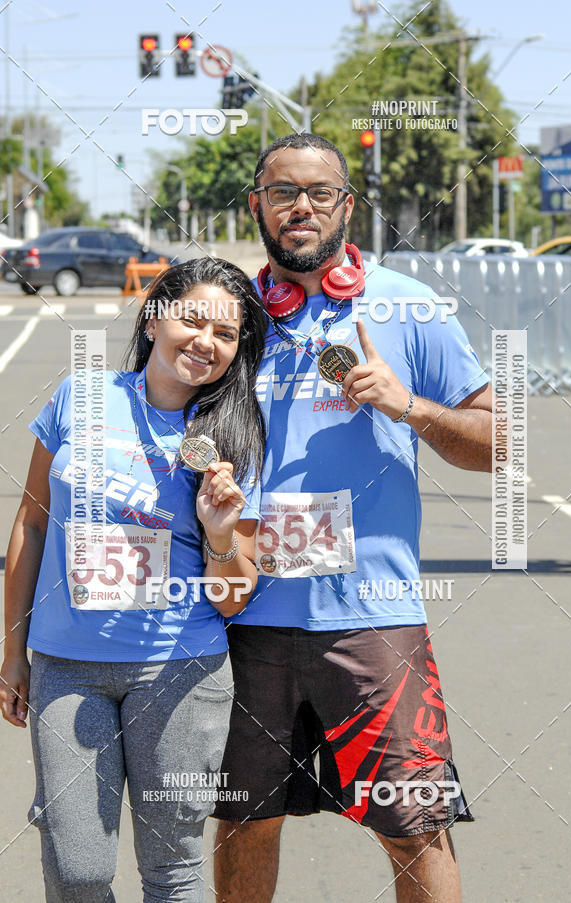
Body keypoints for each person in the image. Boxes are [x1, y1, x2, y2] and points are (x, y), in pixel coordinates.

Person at [213, 134, 493, 903]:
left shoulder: (409, 306)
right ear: (257, 204)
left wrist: (410, 406)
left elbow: (502, 441)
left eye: (320, 192)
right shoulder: (226, 319)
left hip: (373, 621)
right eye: (282, 192)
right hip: (244, 617)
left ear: (348, 205)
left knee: (415, 825)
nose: (300, 206)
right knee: (244, 822)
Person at [0, 257, 267, 902]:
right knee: (78, 870)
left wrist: (220, 533)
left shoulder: (232, 438)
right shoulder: (81, 396)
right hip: (67, 666)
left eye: (226, 334)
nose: (206, 342)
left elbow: (233, 598)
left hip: (180, 671)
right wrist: (12, 648)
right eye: (192, 320)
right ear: (153, 320)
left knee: (173, 870)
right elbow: (31, 523)